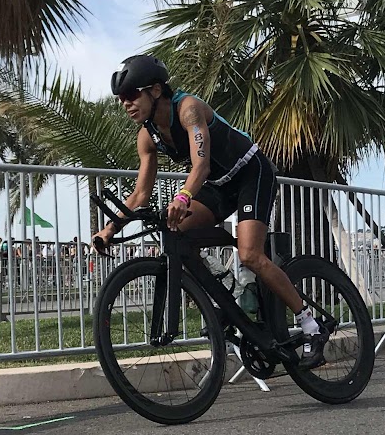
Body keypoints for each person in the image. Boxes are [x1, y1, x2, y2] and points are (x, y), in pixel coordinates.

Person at [91, 54, 327, 366]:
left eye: (132, 94)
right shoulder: (147, 137)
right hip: (218, 185)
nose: (126, 103)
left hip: (250, 173)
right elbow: (141, 194)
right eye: (121, 99)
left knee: (250, 254)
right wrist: (110, 229)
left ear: (156, 90)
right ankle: (227, 289)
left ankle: (311, 325)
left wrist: (183, 197)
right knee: (176, 232)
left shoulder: (188, 109)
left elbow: (200, 165)